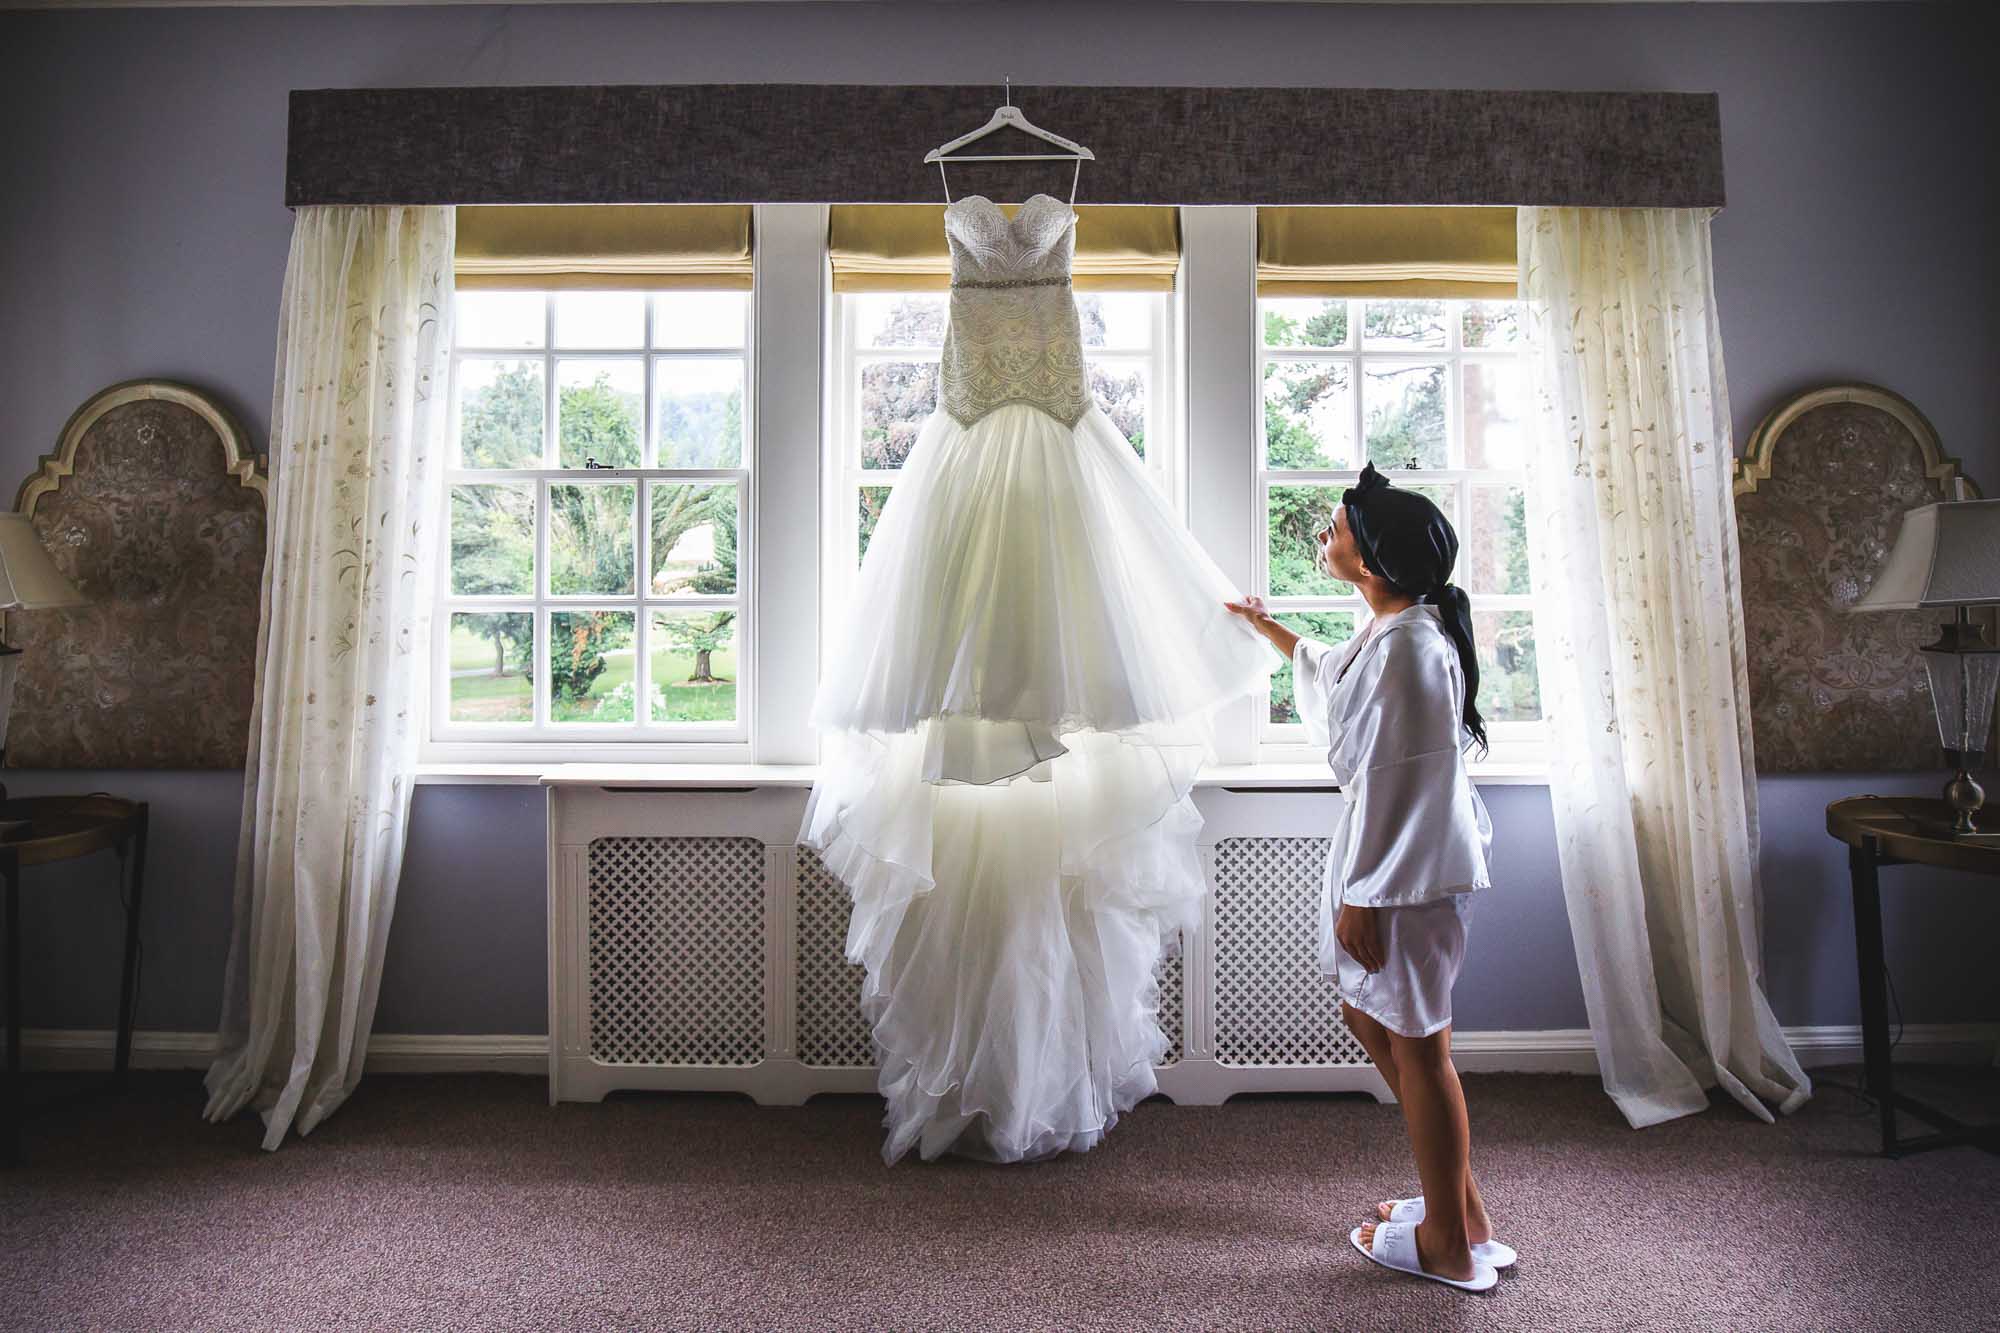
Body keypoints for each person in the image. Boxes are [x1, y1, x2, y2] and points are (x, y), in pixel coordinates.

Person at [1224, 463, 1506, 1293]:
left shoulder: (1413, 648)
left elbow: (1406, 781)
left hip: (1405, 870)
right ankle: (1467, 1214)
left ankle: (1451, 1246)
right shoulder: (1391, 630)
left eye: (1338, 530)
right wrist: (1265, 629)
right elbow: (1333, 679)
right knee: (1380, 1019)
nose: (1325, 537)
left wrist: (1365, 894)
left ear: (1375, 560)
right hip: (1388, 857)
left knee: (1421, 1048)